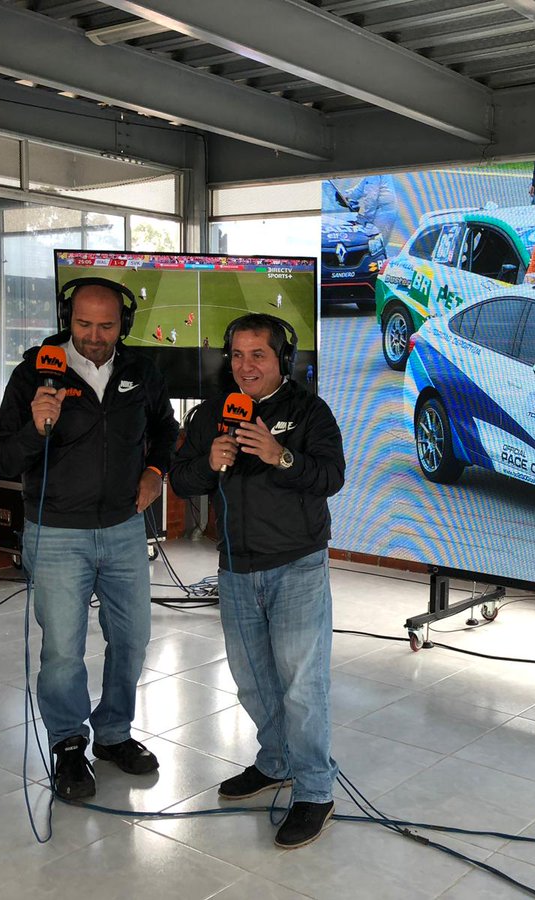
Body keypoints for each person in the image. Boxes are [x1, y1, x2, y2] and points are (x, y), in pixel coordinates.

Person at [0, 280, 178, 801]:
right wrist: (35, 426)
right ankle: (69, 742)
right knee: (64, 653)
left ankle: (114, 735)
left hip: (122, 529)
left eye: (107, 326)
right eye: (84, 325)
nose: (95, 338)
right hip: (55, 534)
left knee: (133, 640)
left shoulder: (142, 371)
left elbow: (165, 427)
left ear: (125, 325)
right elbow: (3, 457)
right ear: (68, 319)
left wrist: (155, 471)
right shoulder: (34, 373)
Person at [170, 313, 346, 850]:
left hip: (297, 566)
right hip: (236, 571)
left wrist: (279, 454)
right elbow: (181, 479)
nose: (245, 367)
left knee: (301, 686)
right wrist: (209, 461)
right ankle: (275, 762)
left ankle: (315, 790)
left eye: (258, 356)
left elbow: (331, 477)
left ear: (281, 360)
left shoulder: (310, 411)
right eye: (237, 355)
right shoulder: (212, 415)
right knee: (253, 681)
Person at [351, 173, 402, 248]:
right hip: (387, 210)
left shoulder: (373, 173)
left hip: (382, 212)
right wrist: (345, 195)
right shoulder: (373, 173)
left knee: (376, 244)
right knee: (379, 243)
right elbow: (359, 189)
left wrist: (368, 220)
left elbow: (371, 198)